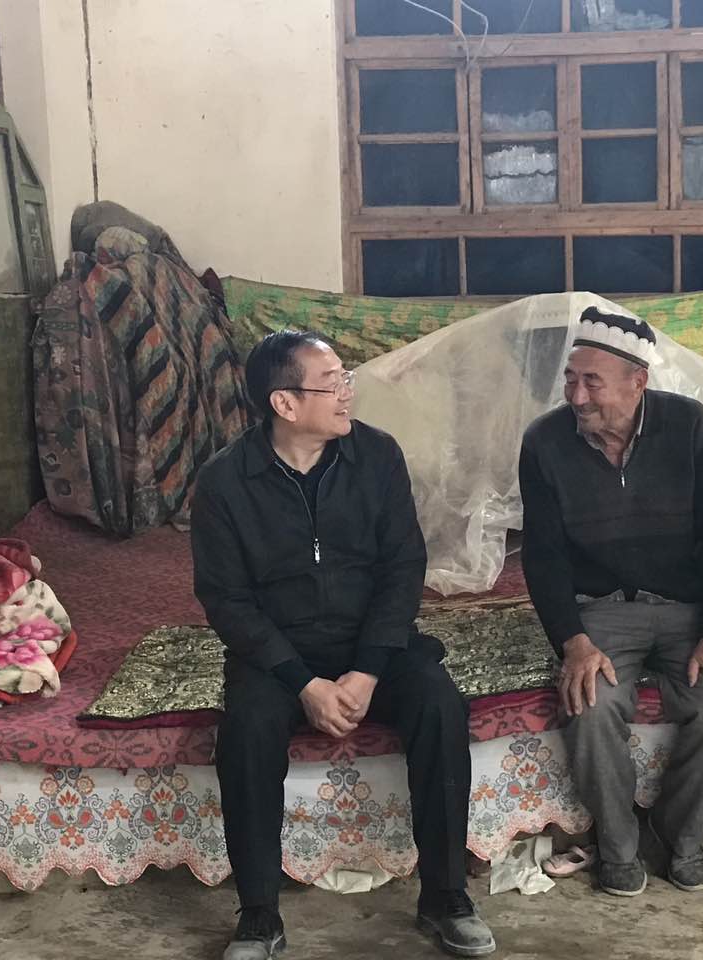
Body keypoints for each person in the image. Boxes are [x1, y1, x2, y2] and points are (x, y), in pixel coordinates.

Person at [192, 331, 496, 960]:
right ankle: (258, 914)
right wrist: (302, 683)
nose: (347, 394)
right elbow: (227, 600)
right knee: (246, 729)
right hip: (279, 655)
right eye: (331, 384)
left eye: (344, 379)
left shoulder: (376, 456)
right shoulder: (225, 481)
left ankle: (445, 896)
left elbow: (403, 568)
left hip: (373, 645)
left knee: (440, 704)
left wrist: (366, 671)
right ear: (284, 403)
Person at [518, 306, 703, 899]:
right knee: (590, 704)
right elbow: (543, 556)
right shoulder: (545, 441)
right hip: (600, 608)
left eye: (592, 382)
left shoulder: (689, 426)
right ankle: (617, 843)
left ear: (637, 381)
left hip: (687, 608)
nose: (576, 395)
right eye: (571, 379)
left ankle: (680, 835)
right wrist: (573, 641)